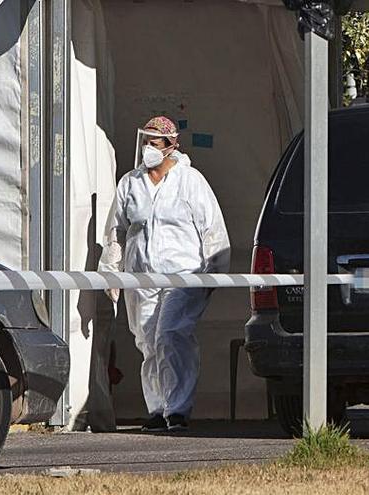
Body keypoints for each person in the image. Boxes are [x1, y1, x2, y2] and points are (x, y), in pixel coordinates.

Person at [99, 116, 230, 432]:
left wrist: (214, 273)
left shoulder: (191, 181)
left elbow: (213, 229)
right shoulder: (130, 183)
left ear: (173, 145)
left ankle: (178, 409)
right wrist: (111, 271)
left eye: (155, 143)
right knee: (147, 341)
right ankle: (157, 408)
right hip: (141, 278)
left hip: (182, 276)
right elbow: (115, 230)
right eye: (146, 141)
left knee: (170, 334)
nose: (148, 148)